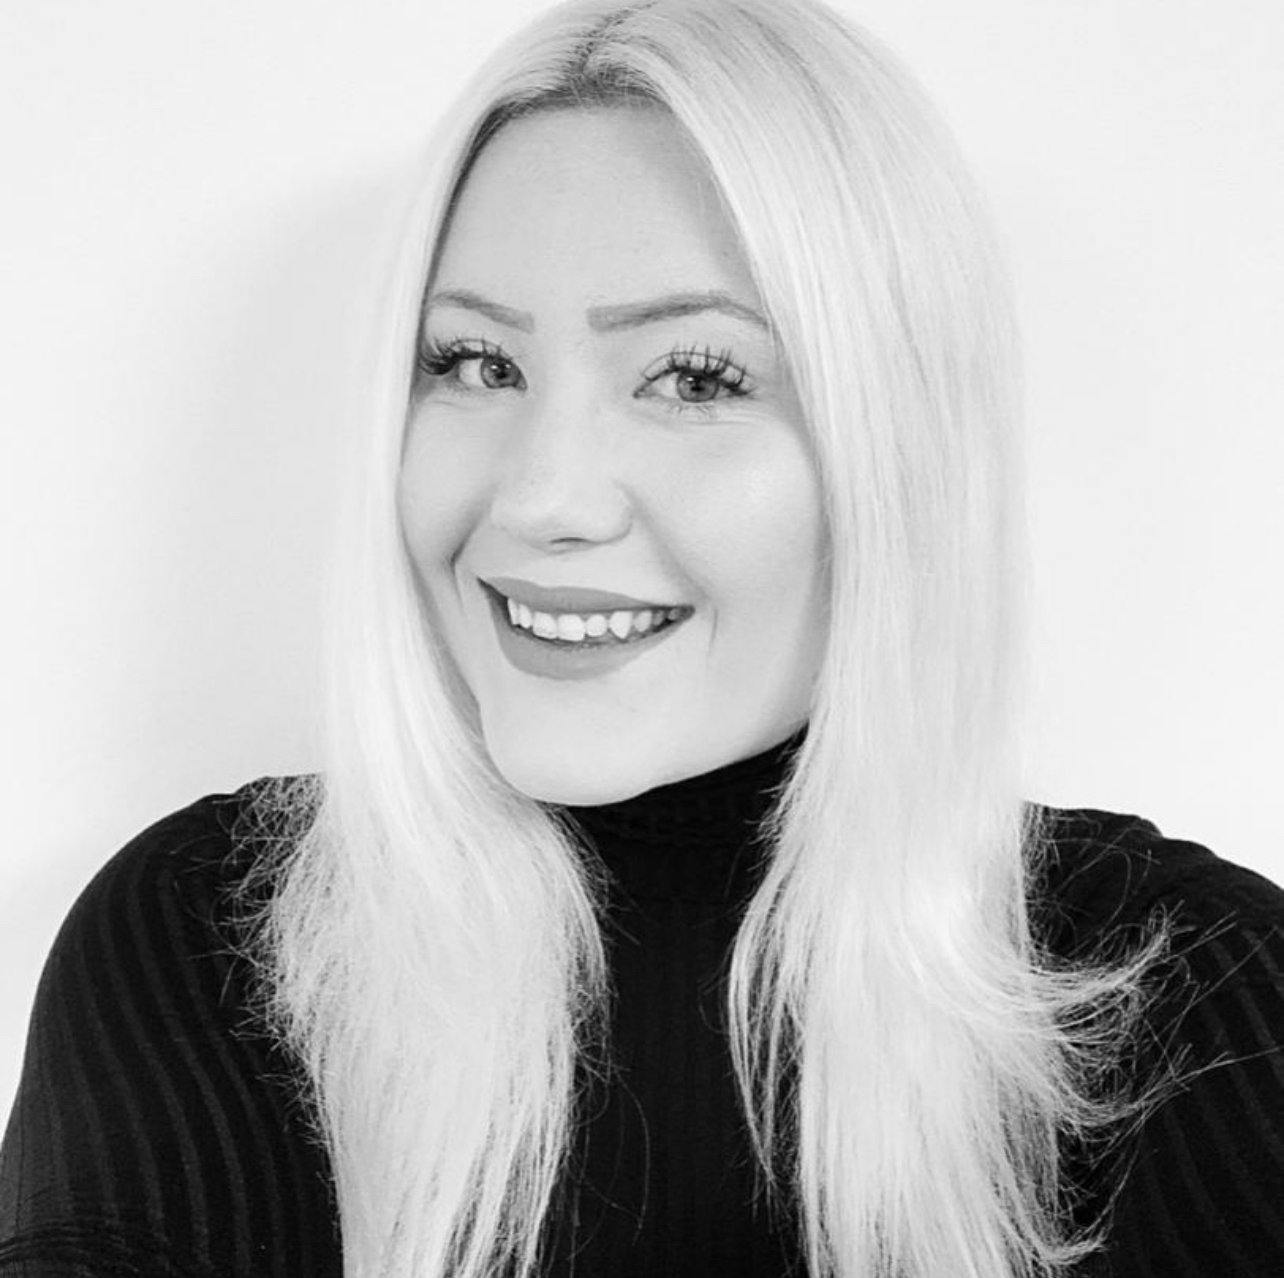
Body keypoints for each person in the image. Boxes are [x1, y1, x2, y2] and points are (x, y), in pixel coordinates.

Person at [2, 0, 1282, 1274]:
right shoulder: (222, 937)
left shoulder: (1202, 998)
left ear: (899, 456)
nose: (541, 498)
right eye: (475, 362)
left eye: (696, 377)